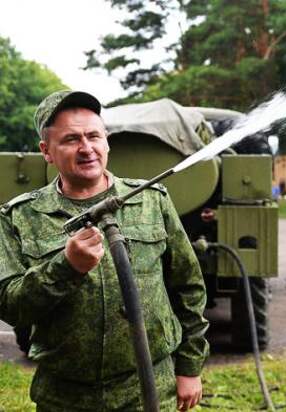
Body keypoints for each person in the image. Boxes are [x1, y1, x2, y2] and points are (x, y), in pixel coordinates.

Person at [0, 91, 209, 411]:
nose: (87, 148)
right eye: (71, 139)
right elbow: (10, 306)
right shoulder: (20, 218)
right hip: (64, 395)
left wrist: (190, 367)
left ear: (107, 141)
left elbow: (188, 286)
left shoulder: (152, 200)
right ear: (47, 151)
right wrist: (66, 266)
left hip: (148, 387)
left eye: (94, 136)